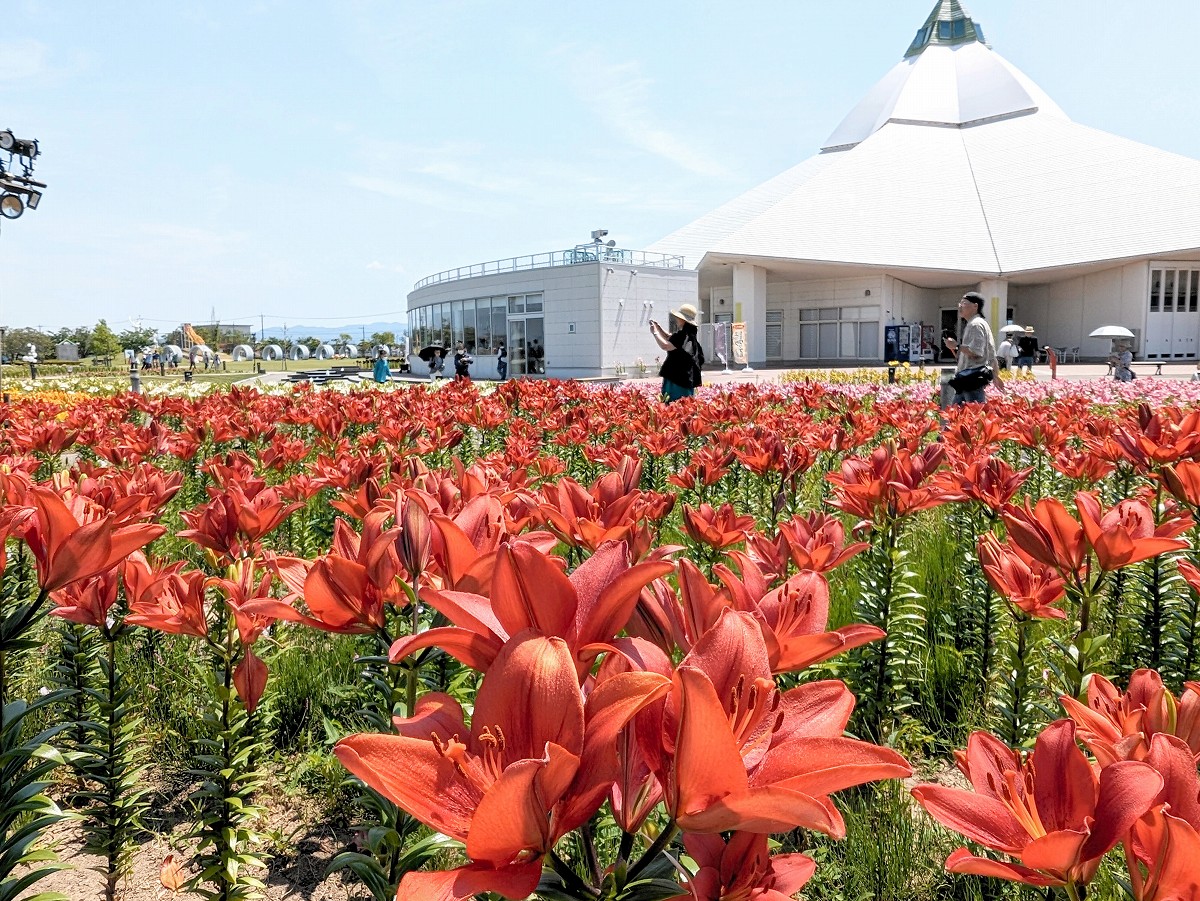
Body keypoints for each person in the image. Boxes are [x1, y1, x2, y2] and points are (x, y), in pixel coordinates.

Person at [942, 292, 1003, 405]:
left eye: (964, 303)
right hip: (968, 380)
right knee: (958, 414)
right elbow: (991, 353)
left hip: (971, 379)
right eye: (959, 303)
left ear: (975, 306)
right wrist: (995, 375)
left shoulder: (975, 325)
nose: (960, 306)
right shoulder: (978, 323)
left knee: (972, 414)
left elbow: (976, 352)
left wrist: (956, 346)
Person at [651, 303, 705, 403]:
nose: (676, 319)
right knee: (686, 406)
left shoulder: (683, 336)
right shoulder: (689, 335)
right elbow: (670, 338)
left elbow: (666, 345)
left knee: (674, 405)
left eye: (678, 317)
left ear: (683, 320)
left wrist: (655, 333)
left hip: (677, 379)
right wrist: (659, 329)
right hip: (685, 378)